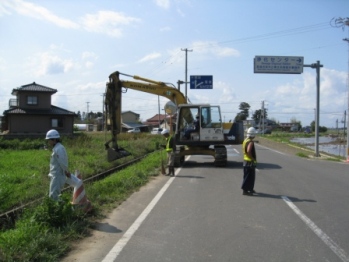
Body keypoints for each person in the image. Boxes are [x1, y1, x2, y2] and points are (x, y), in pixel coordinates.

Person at [45, 129, 71, 200]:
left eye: (49, 140)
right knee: (53, 195)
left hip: (58, 175)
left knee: (54, 196)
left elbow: (62, 162)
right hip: (55, 175)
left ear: (54, 140)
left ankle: (65, 209)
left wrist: (66, 171)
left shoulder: (59, 149)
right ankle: (62, 208)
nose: (48, 142)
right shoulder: (57, 148)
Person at [241, 127, 257, 196]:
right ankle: (245, 190)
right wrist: (253, 159)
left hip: (245, 161)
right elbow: (248, 151)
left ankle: (250, 189)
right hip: (249, 162)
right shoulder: (250, 142)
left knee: (247, 176)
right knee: (249, 177)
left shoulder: (245, 140)